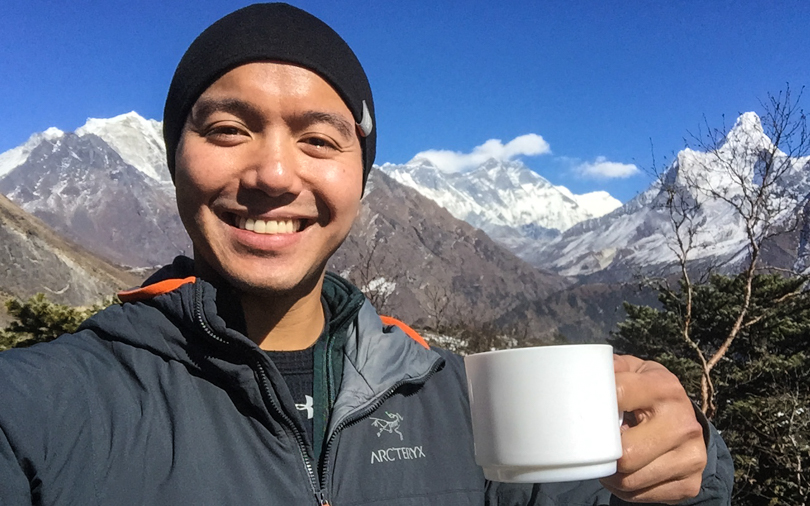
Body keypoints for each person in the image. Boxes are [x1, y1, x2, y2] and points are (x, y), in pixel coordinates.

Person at [0, 3, 733, 505]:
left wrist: (683, 461)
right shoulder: (36, 411)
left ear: (359, 178)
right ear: (175, 158)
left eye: (319, 140)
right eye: (228, 129)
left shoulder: (457, 399)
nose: (275, 175)